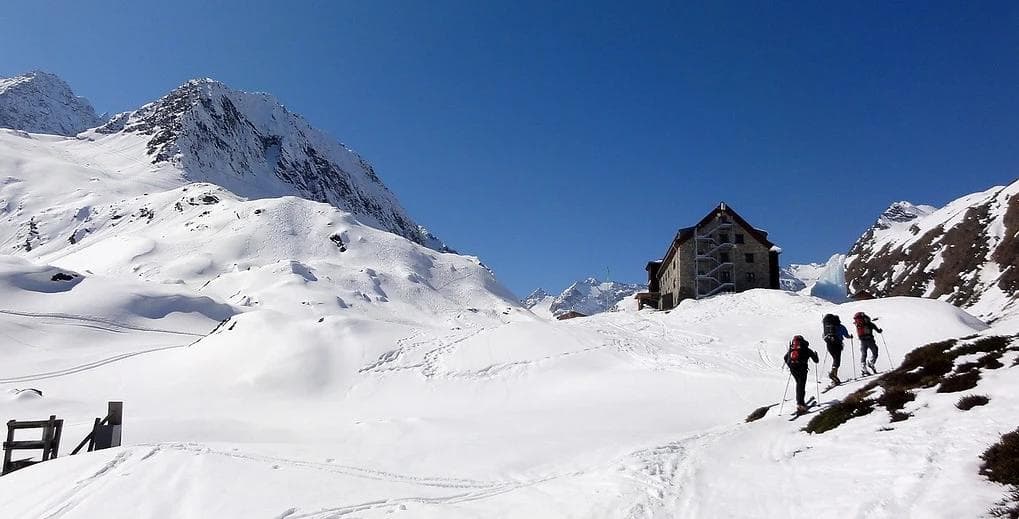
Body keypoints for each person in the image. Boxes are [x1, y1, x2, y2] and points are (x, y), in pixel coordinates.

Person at [783, 335, 819, 414]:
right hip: (802, 369)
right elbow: (816, 361)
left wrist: (790, 365)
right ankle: (800, 404)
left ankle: (800, 402)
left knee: (799, 384)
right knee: (801, 385)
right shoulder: (806, 348)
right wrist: (816, 355)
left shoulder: (792, 348)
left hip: (793, 368)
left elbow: (785, 357)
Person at [822, 314, 852, 385]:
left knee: (835, 359)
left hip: (829, 344)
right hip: (837, 344)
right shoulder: (841, 327)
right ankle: (833, 374)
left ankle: (834, 377)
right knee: (837, 359)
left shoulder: (827, 327)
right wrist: (850, 336)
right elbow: (846, 335)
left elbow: (823, 336)